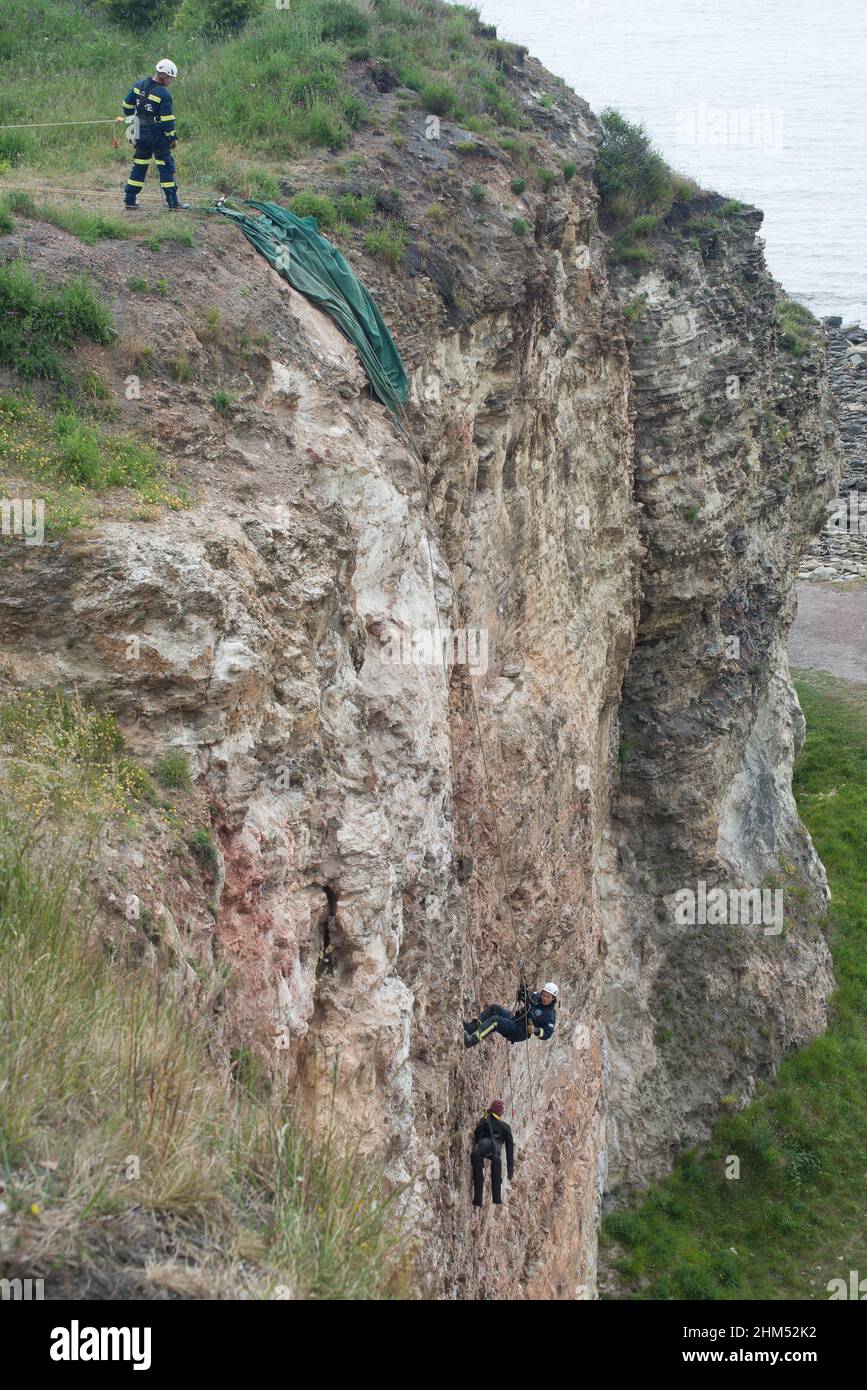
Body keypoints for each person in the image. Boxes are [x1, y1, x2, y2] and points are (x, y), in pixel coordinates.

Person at [120, 59, 188, 210]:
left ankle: (130, 200)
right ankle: (172, 202)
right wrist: (172, 137)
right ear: (164, 76)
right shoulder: (164, 94)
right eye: (171, 78)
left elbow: (126, 105)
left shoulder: (139, 85)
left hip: (140, 135)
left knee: (139, 166)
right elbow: (167, 120)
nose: (171, 81)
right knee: (166, 167)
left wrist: (134, 119)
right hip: (157, 138)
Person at [464, 982, 559, 1048]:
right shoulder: (536, 997)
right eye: (544, 995)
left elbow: (548, 1034)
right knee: (494, 1008)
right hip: (515, 1019)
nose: (544, 998)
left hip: (519, 1031)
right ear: (542, 992)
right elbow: (528, 996)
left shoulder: (550, 1015)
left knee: (495, 1021)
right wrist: (523, 994)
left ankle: (471, 1041)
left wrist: (536, 1030)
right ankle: (470, 1028)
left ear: (553, 998)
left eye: (548, 997)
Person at [471, 1099, 514, 1206]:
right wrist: (510, 1171)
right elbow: (510, 1150)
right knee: (496, 1163)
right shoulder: (505, 1127)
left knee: (478, 1172)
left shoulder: (485, 1121)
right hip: (495, 1151)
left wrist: (484, 1120)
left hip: (481, 1148)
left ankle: (477, 1200)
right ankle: (497, 1198)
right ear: (500, 1112)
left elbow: (476, 1136)